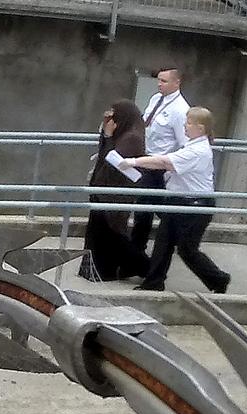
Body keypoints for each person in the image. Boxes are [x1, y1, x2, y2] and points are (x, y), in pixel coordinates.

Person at [119, 106, 230, 293]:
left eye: (188, 123)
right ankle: (153, 283)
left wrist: (133, 162)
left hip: (195, 206)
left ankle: (219, 279)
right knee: (163, 244)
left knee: (187, 250)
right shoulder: (192, 146)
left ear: (200, 128)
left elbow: (165, 162)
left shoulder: (198, 151)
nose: (185, 126)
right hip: (178, 201)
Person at [78, 99, 150, 282]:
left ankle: (149, 270)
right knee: (99, 234)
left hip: (116, 193)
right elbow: (103, 153)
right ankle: (96, 271)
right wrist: (106, 134)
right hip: (104, 191)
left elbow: (113, 161)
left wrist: (109, 136)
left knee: (113, 236)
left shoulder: (131, 138)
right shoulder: (122, 134)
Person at [131, 67, 190, 252]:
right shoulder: (156, 99)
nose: (159, 84)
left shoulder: (181, 110)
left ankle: (139, 249)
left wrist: (170, 169)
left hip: (159, 165)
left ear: (176, 82)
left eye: (164, 81)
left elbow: (184, 144)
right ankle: (175, 234)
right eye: (158, 80)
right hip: (145, 158)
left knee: (146, 207)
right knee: (146, 205)